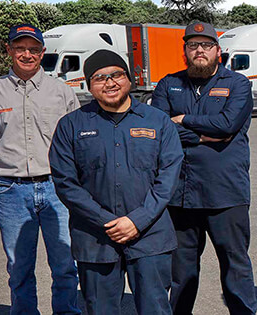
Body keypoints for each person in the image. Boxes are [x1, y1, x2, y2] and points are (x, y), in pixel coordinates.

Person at [49, 49, 183, 314]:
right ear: (89, 85)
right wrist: (106, 222)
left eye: (116, 75)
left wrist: (137, 220)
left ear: (129, 79)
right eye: (99, 78)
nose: (109, 83)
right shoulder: (70, 126)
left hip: (150, 236)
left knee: (155, 308)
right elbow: (66, 183)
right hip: (95, 238)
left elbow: (169, 176)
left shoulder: (158, 122)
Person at [0, 23, 82, 315]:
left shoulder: (62, 93)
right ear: (9, 50)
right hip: (12, 191)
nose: (27, 54)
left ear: (42, 52)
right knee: (18, 267)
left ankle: (67, 312)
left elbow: (76, 143)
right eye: (20, 48)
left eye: (33, 49)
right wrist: (6, 171)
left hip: (58, 189)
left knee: (65, 264)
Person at [149, 21, 257, 314]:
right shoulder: (167, 83)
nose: (199, 50)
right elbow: (159, 129)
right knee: (181, 271)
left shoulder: (237, 83)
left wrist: (182, 120)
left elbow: (228, 125)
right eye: (193, 45)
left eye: (206, 45)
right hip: (180, 193)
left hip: (226, 193)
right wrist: (204, 134)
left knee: (235, 265)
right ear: (184, 50)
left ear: (218, 51)